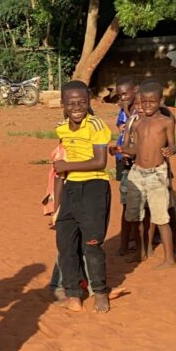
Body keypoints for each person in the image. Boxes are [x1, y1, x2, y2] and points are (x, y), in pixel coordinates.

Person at [53, 80, 113, 314]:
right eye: (71, 103)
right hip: (70, 190)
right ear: (63, 105)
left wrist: (66, 165)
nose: (77, 107)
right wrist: (56, 204)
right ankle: (73, 293)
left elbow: (100, 161)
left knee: (92, 245)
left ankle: (100, 291)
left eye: (82, 102)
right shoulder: (61, 128)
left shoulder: (97, 125)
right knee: (66, 245)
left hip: (94, 188)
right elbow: (59, 168)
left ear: (88, 102)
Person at [120, 80, 176, 268]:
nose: (147, 105)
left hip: (157, 174)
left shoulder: (166, 122)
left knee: (161, 217)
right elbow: (137, 148)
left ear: (161, 100)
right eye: (143, 102)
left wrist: (170, 150)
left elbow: (172, 145)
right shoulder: (138, 124)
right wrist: (123, 150)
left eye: (152, 102)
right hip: (137, 172)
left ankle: (169, 258)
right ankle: (140, 251)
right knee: (134, 216)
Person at [112, 76, 137, 254]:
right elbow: (123, 129)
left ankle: (139, 240)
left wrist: (128, 111)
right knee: (126, 203)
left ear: (135, 90)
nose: (123, 98)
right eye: (120, 95)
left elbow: (137, 126)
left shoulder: (141, 109)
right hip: (124, 159)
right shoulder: (123, 111)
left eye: (125, 94)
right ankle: (124, 242)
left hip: (140, 159)